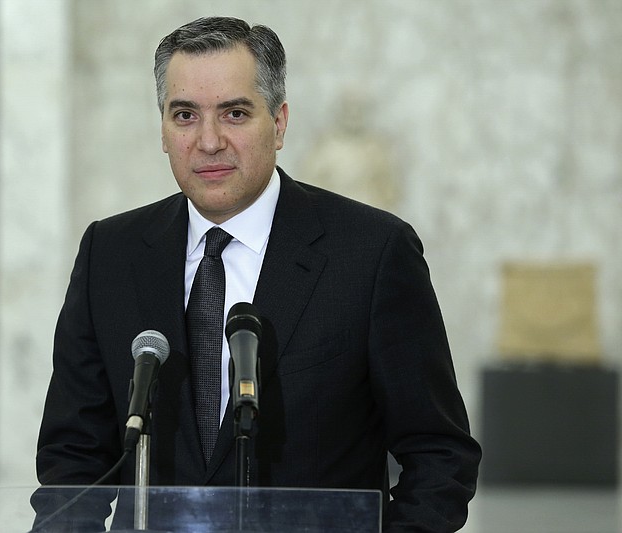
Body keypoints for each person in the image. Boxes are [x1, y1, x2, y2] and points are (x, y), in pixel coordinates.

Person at [35, 16, 481, 532]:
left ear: (280, 121)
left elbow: (438, 452)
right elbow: (73, 454)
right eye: (185, 115)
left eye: (235, 113)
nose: (208, 141)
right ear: (162, 129)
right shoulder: (109, 254)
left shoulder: (373, 252)